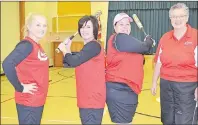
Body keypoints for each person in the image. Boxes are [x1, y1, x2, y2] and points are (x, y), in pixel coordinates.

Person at [151, 3, 197, 124]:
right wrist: (154, 82)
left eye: (181, 16)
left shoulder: (195, 36)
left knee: (184, 121)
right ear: (170, 19)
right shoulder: (165, 37)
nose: (178, 20)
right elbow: (159, 62)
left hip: (188, 88)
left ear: (187, 17)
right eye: (174, 17)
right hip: (166, 86)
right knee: (167, 120)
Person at [105, 12, 154, 124]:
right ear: (114, 27)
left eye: (127, 24)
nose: (125, 27)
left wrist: (146, 44)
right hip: (119, 90)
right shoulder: (119, 38)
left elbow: (140, 59)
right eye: (121, 24)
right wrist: (148, 41)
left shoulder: (128, 43)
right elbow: (144, 47)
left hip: (129, 89)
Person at [57, 15, 106, 125]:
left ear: (94, 29)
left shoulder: (93, 46)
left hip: (92, 101)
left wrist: (64, 50)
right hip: (86, 99)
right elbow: (74, 60)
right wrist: (68, 49)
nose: (84, 30)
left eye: (88, 27)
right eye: (82, 27)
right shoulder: (88, 47)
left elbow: (73, 61)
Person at [2, 13, 49, 124]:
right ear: (29, 26)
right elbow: (7, 64)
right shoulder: (27, 45)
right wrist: (20, 87)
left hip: (37, 100)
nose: (42, 28)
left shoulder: (36, 45)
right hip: (28, 101)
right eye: (38, 25)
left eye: (44, 25)